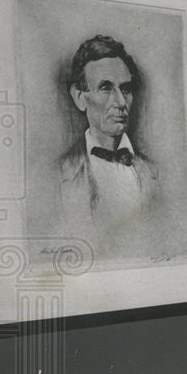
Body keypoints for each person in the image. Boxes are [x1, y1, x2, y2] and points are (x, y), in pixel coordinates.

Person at [57, 35, 160, 244]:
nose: (121, 102)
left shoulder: (156, 173)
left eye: (126, 89)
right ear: (79, 98)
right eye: (106, 88)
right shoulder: (58, 174)